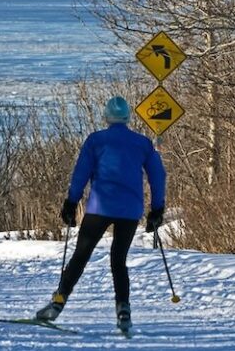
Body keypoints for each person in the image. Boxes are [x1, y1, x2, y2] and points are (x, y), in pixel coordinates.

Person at [36, 95, 166, 331]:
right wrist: (157, 209)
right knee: (118, 261)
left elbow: (81, 173)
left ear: (106, 116)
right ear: (127, 117)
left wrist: (70, 202)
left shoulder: (96, 141)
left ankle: (58, 302)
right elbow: (158, 176)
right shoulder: (143, 143)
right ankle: (123, 309)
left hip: (100, 207)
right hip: (130, 210)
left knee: (80, 256)